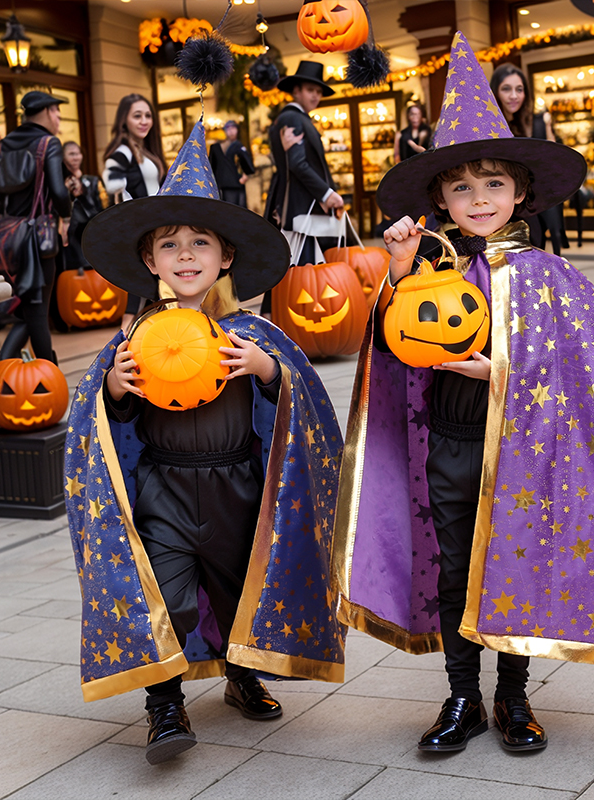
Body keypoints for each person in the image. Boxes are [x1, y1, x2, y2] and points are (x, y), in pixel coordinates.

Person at [333, 32, 594, 756]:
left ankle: (512, 697)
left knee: (517, 563)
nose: (478, 200)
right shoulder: (427, 270)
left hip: (522, 449)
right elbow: (389, 349)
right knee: (452, 565)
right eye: (461, 187)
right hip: (445, 444)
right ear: (441, 197)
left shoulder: (548, 275)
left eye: (492, 185)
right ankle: (459, 695)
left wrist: (504, 373)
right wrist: (396, 270)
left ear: (519, 193)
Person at [66, 118, 346, 766]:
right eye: (170, 244)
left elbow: (305, 408)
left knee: (236, 589)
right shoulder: (134, 339)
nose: (186, 255)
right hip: (164, 488)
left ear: (225, 258)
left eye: (200, 242)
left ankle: (242, 674)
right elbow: (100, 428)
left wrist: (267, 372)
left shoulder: (253, 333)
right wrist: (113, 387)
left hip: (240, 491)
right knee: (164, 594)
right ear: (149, 260)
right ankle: (164, 706)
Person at [0, 90, 76, 362]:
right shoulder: (47, 143)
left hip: (6, 240)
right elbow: (58, 192)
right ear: (46, 112)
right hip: (38, 239)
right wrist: (65, 216)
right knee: (37, 309)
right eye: (57, 114)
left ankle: (20, 364)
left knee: (27, 310)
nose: (58, 120)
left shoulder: (1, 146)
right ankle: (44, 370)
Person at [264, 62, 344, 276]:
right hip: (300, 203)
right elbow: (298, 164)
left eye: (318, 91)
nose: (316, 96)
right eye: (310, 90)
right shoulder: (293, 118)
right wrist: (326, 193)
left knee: (293, 268)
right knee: (303, 269)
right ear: (296, 91)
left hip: (300, 202)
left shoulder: (293, 117)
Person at [102, 94, 167, 331]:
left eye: (148, 116)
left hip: (152, 230)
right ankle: (120, 352)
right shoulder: (124, 150)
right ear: (124, 120)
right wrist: (133, 215)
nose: (144, 121)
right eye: (137, 116)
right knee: (138, 296)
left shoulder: (144, 150)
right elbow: (111, 182)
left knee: (149, 294)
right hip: (139, 232)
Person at [490, 63, 570, 256]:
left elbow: (549, 160)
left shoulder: (530, 123)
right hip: (496, 208)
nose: (514, 96)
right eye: (506, 89)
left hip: (527, 206)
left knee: (534, 250)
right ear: (495, 92)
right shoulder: (489, 126)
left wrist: (548, 130)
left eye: (519, 89)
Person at [61, 141, 104, 269]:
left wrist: (83, 192)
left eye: (78, 153)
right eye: (71, 154)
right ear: (63, 157)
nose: (75, 157)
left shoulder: (93, 181)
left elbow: (101, 208)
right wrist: (66, 192)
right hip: (70, 236)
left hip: (90, 233)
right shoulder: (59, 184)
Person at [209, 120, 255, 206]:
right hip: (222, 185)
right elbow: (211, 166)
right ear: (225, 131)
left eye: (233, 128)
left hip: (233, 184)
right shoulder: (216, 148)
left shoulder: (238, 146)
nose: (231, 131)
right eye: (228, 129)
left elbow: (248, 165)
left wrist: (244, 176)